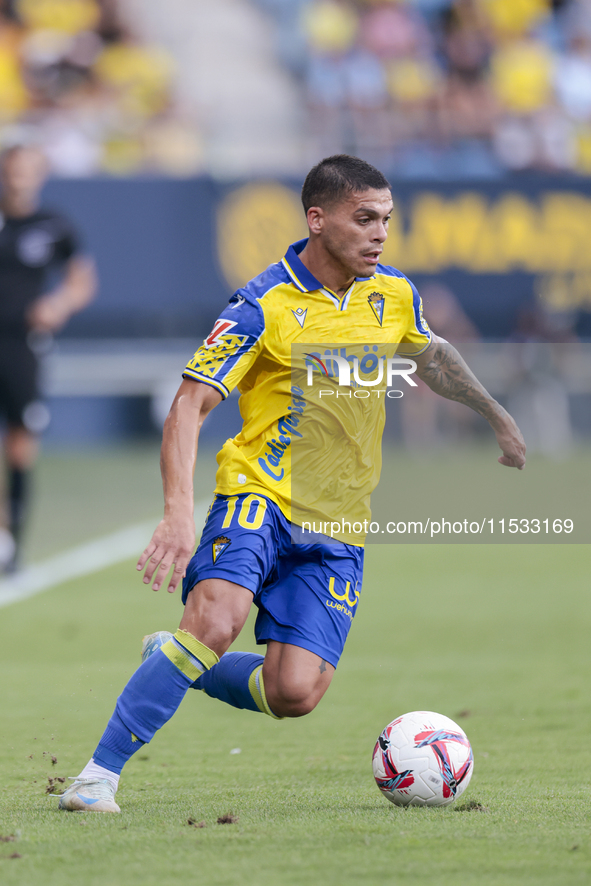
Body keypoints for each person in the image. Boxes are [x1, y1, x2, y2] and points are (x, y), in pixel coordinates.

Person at [57, 155, 525, 814]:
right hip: (260, 497)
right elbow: (188, 405)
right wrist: (177, 515)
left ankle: (173, 658)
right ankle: (96, 777)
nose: (379, 233)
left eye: (386, 220)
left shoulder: (392, 294)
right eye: (364, 218)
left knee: (293, 694)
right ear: (317, 218)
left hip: (337, 524)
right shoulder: (261, 305)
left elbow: (432, 354)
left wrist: (495, 415)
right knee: (217, 618)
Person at [0, 144, 97, 573]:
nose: (18, 178)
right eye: (12, 170)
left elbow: (82, 278)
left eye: (27, 171)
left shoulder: (52, 226)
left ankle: (13, 544)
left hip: (22, 344)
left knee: (21, 440)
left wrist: (58, 305)